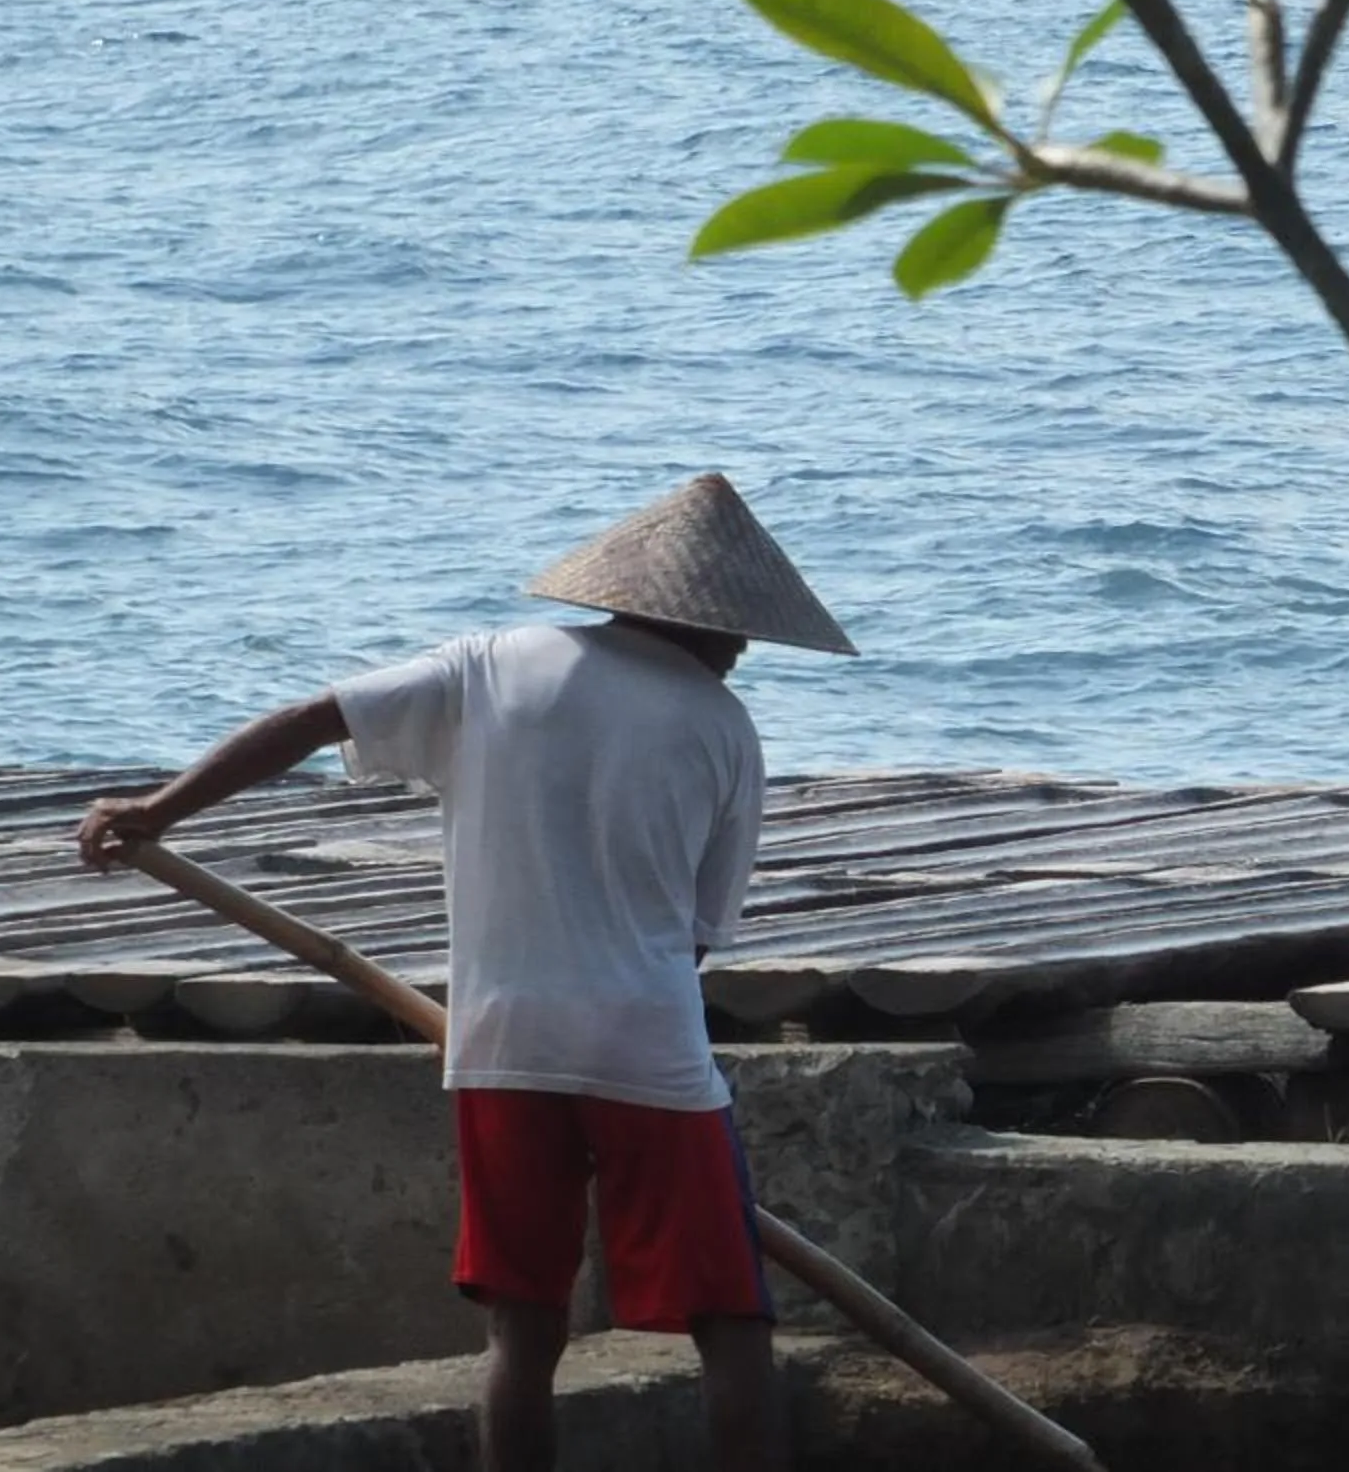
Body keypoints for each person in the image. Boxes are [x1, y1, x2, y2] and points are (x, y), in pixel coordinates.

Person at [75, 472, 855, 1472]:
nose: (743, 653)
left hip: (501, 1047)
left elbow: (318, 718)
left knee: (522, 1334)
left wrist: (157, 811)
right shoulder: (722, 731)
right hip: (646, 1054)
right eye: (741, 634)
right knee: (733, 1329)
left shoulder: (489, 666)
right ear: (703, 622)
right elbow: (696, 938)